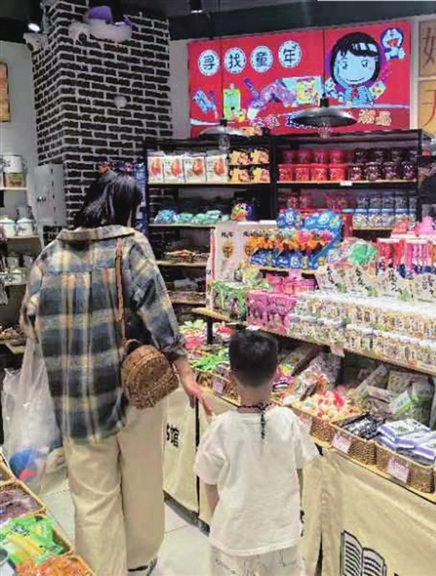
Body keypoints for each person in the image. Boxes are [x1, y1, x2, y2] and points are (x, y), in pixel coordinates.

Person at [20, 171, 211, 576]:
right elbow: (159, 314)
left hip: (75, 400)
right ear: (123, 208)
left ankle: (101, 569)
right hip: (133, 393)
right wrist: (185, 372)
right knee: (141, 481)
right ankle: (138, 561)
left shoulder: (49, 255)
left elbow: (28, 324)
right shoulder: (130, 246)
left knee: (92, 496)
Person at [195, 329, 318, 576]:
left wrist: (221, 520)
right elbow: (299, 471)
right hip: (282, 533)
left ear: (231, 378)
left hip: (235, 537)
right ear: (276, 374)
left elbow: (208, 481)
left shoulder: (222, 428)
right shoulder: (288, 420)